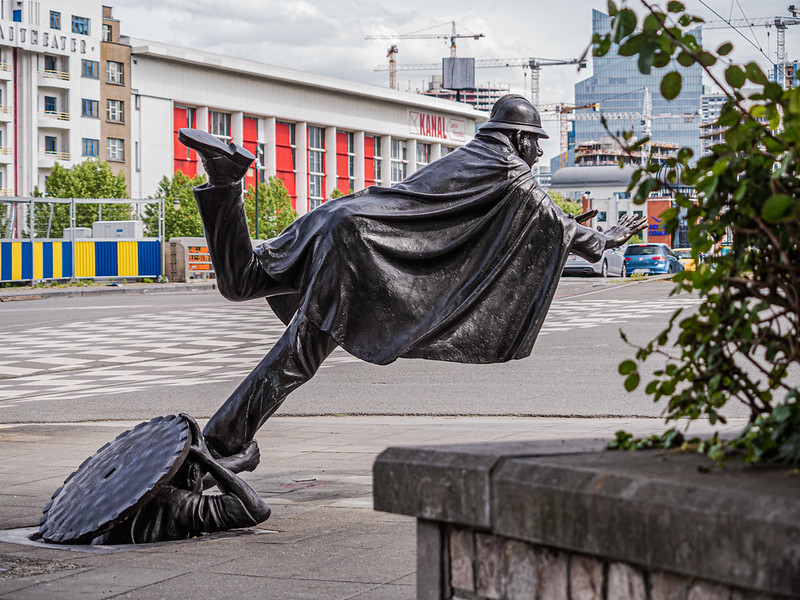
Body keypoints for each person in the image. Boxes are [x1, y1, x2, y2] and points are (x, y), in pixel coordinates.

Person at [179, 94, 647, 460]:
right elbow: (557, 224)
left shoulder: (474, 154)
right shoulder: (510, 171)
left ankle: (224, 180)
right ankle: (220, 443)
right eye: (536, 140)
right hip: (360, 244)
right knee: (300, 354)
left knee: (243, 279)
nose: (539, 150)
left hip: (339, 216)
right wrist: (607, 238)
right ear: (520, 138)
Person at [94, 415, 270, 544]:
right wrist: (208, 459)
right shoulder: (178, 503)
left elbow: (195, 481)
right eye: (198, 472)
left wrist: (238, 463)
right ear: (192, 474)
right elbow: (255, 509)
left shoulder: (137, 488)